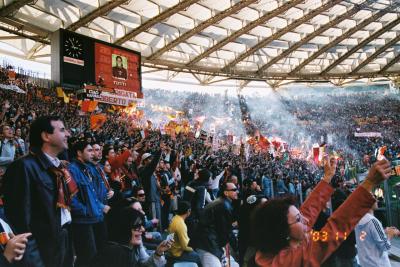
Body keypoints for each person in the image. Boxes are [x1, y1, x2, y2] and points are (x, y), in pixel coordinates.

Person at [252, 157, 392, 267]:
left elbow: (306, 212)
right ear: (282, 231)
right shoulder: (286, 262)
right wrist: (368, 183)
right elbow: (335, 228)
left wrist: (327, 178)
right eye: (298, 219)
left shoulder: (270, 252)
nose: (306, 220)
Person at [3, 116, 75, 267]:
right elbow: (20, 224)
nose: (68, 134)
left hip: (61, 243)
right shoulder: (23, 168)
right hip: (41, 253)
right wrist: (33, 261)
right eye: (62, 130)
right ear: (46, 136)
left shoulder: (59, 169)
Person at [68, 140, 110, 266]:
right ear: (79, 153)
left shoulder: (87, 169)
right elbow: (72, 199)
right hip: (82, 221)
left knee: (96, 255)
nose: (93, 153)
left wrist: (97, 208)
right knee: (88, 258)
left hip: (93, 218)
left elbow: (93, 196)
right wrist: (86, 211)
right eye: (89, 150)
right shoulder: (72, 169)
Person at [91, 208, 173, 267]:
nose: (142, 229)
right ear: (124, 227)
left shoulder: (129, 246)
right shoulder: (115, 252)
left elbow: (144, 263)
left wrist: (158, 253)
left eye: (141, 225)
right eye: (137, 226)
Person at [194, 182, 239, 267]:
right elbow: (226, 231)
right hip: (207, 245)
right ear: (226, 193)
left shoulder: (221, 202)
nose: (237, 192)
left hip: (209, 242)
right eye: (234, 190)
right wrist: (237, 247)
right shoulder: (223, 205)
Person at [355, 194, 400, 267]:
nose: (377, 200)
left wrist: (383, 231)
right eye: (374, 198)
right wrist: (390, 234)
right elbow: (385, 246)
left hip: (365, 263)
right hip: (378, 264)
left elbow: (366, 236)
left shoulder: (359, 220)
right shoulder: (373, 221)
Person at [168, 201, 201, 266]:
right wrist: (195, 247)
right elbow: (185, 247)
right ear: (188, 211)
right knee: (198, 256)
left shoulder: (175, 218)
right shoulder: (181, 224)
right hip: (177, 253)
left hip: (172, 249)